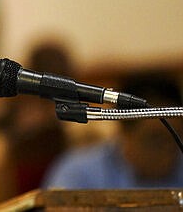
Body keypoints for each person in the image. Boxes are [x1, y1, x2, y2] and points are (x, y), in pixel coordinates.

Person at [42, 70, 183, 189]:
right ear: (124, 131)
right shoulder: (78, 173)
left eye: (176, 137)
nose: (168, 150)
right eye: (156, 139)